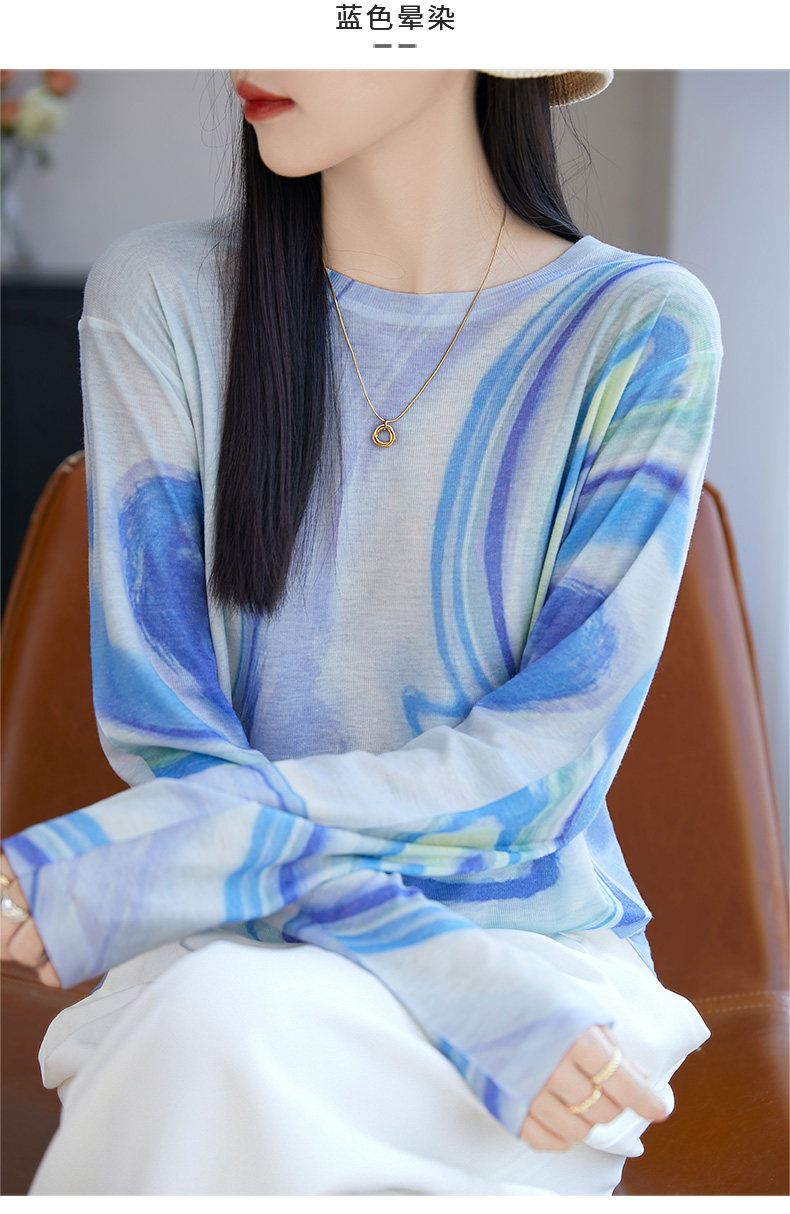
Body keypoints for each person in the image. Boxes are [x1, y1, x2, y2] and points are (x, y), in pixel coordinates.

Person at [0, 68, 720, 1196]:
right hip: (263, 942)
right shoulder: (159, 298)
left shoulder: (640, 329)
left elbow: (537, 773)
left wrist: (137, 856)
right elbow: (173, 746)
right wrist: (447, 972)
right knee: (218, 1017)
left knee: (212, 1033)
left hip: (534, 951)